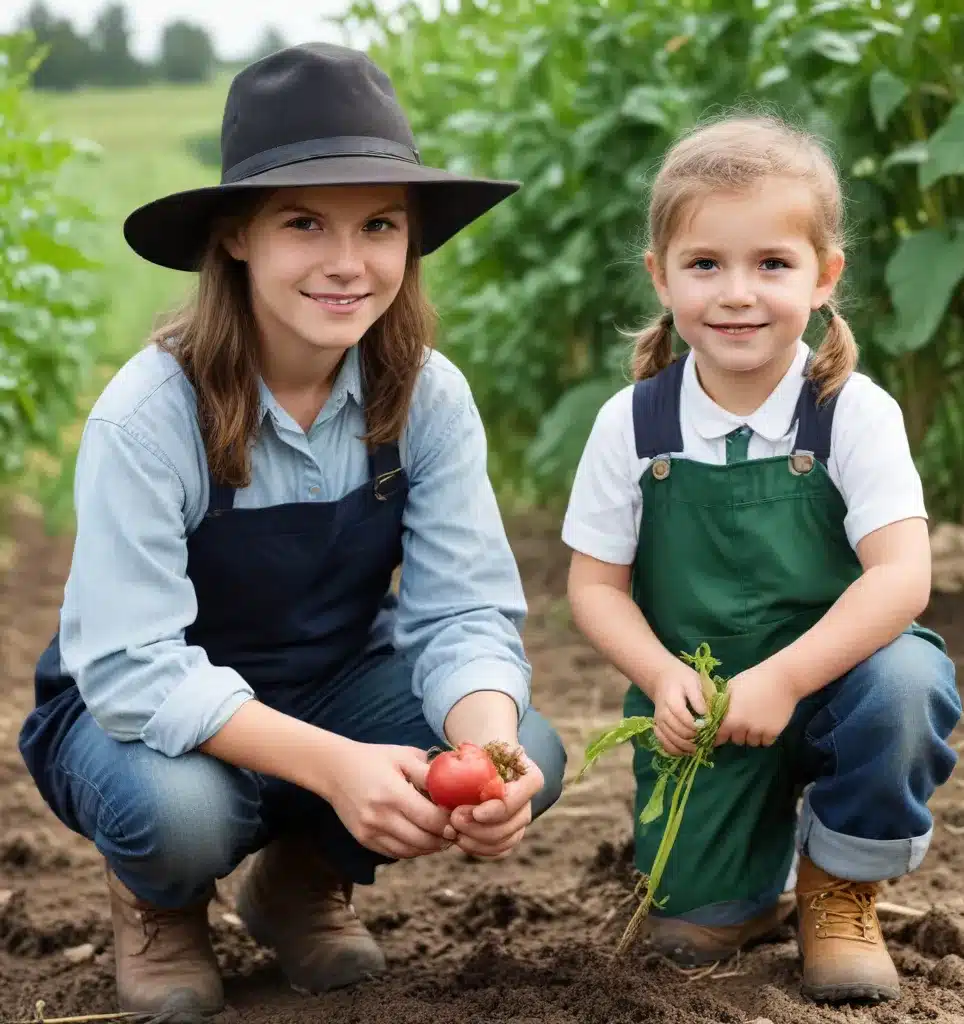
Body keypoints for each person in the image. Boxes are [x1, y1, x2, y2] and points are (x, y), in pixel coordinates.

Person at [18, 43, 566, 1018]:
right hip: (143, 724)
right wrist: (335, 766)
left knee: (528, 744)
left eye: (379, 226)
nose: (348, 263)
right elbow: (133, 662)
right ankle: (162, 902)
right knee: (177, 811)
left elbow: (464, 611)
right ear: (236, 237)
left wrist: (483, 757)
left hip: (331, 684)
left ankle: (298, 877)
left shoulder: (424, 396)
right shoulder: (150, 415)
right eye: (304, 223)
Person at [561, 114, 961, 1004]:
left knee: (907, 686)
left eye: (772, 265)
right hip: (701, 710)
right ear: (660, 277)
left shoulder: (851, 412)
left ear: (824, 278)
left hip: (833, 683)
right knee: (690, 935)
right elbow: (594, 586)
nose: (737, 293)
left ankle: (839, 886)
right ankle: (749, 880)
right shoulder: (631, 424)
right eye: (705, 265)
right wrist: (664, 678)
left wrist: (781, 681)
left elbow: (902, 576)